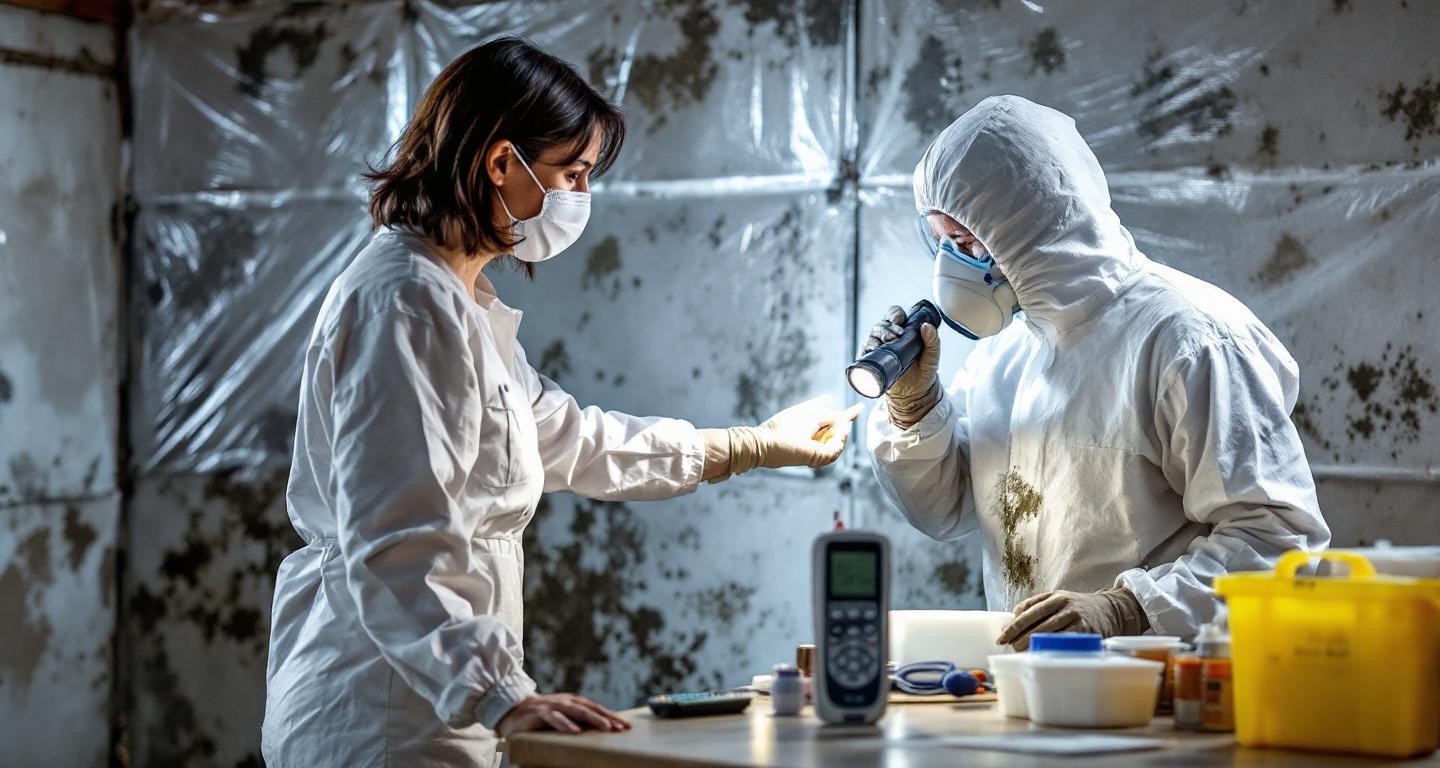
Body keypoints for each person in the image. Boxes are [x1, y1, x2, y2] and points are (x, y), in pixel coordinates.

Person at [261, 37, 860, 767]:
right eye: (570, 174)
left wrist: (748, 445)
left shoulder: (456, 301)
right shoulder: (406, 303)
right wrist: (498, 693)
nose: (578, 199)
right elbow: (400, 539)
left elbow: (570, 439)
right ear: (501, 162)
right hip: (383, 712)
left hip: (433, 698)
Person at [862, 95, 1329, 650]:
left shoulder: (1187, 338)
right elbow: (947, 509)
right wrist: (914, 410)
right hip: (1035, 686)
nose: (950, 267)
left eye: (965, 243)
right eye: (940, 243)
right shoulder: (1007, 354)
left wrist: (1129, 609)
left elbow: (1277, 539)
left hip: (1162, 693)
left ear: (1030, 223)